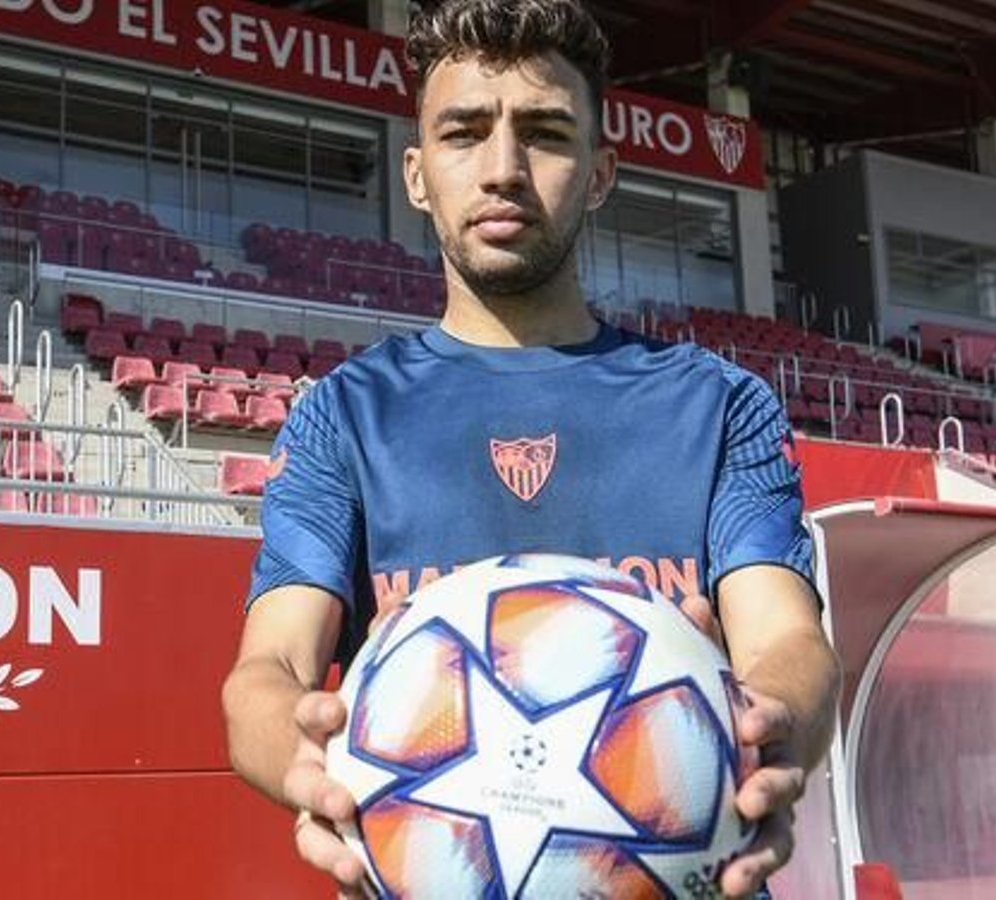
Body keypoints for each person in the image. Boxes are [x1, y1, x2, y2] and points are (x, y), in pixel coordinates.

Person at [220, 1, 842, 896]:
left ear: (599, 174)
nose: (504, 170)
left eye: (546, 134)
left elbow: (790, 639)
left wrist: (770, 722)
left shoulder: (718, 406)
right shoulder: (343, 418)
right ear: (418, 175)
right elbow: (266, 672)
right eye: (464, 133)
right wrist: (303, 762)